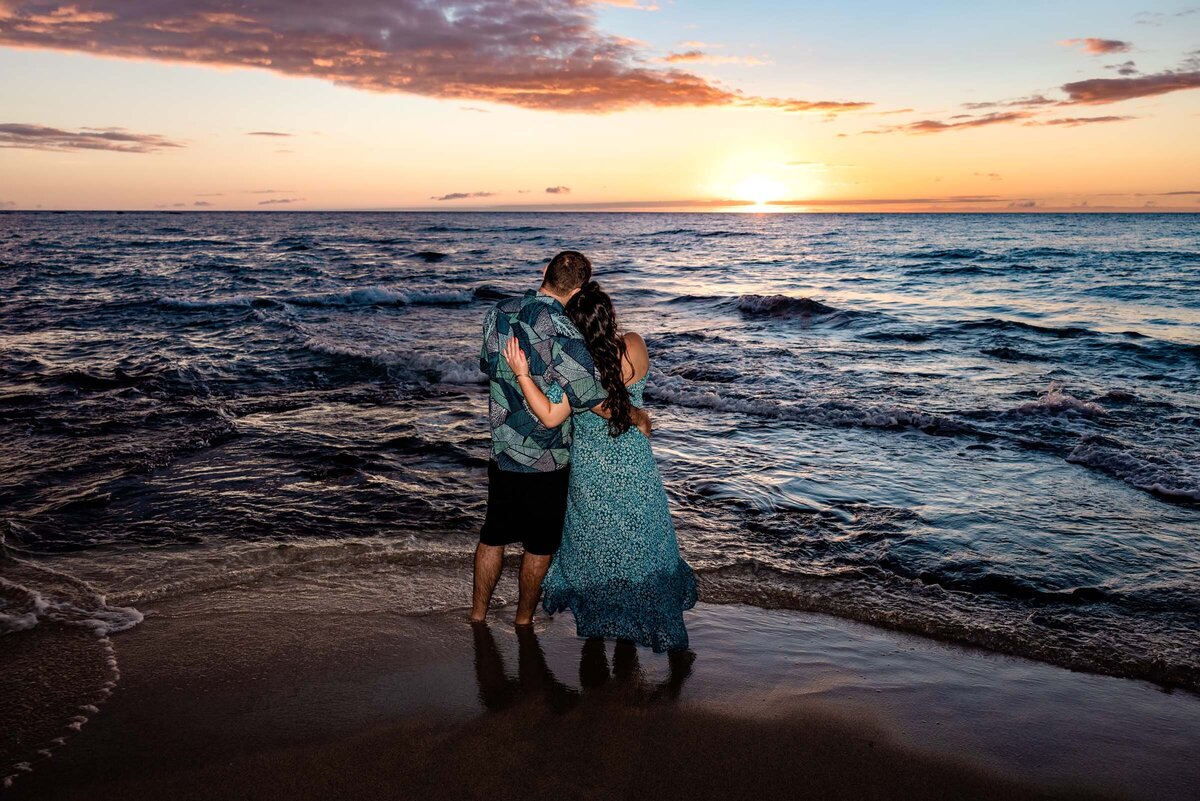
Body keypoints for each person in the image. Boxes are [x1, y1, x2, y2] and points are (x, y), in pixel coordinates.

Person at [502, 280, 697, 652]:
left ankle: (601, 627)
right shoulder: (636, 345)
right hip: (635, 465)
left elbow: (548, 417)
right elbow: (622, 396)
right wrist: (635, 413)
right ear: (609, 315)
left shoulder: (573, 368)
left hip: (592, 472)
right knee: (642, 547)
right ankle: (639, 632)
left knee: (597, 549)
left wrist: (523, 374)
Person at [473, 251, 650, 626]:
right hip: (548, 459)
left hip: (503, 448)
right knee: (538, 546)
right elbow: (594, 402)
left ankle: (477, 615)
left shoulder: (499, 312)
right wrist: (637, 417)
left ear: (544, 273)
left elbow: (487, 365)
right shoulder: (570, 336)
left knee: (493, 535)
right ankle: (523, 620)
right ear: (580, 288)